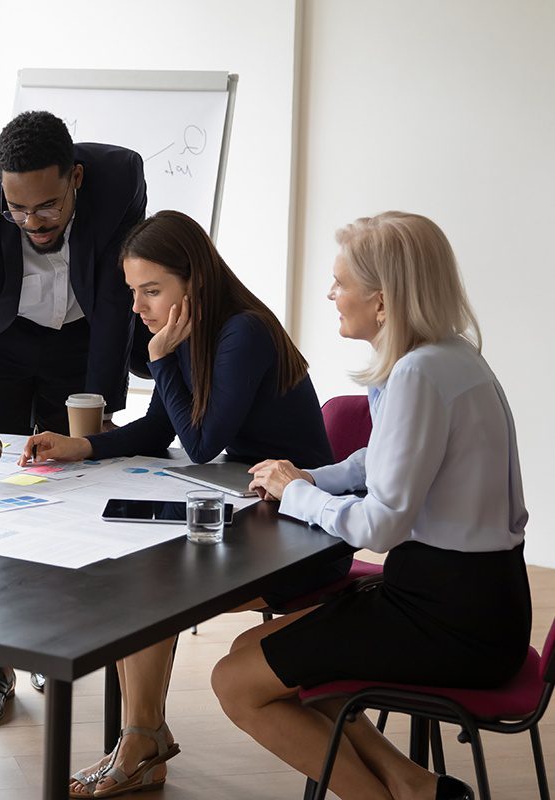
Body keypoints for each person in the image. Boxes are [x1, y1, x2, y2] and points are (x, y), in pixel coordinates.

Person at [19, 210, 349, 798]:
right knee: (138, 572)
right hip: (257, 513)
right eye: (133, 292)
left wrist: (162, 355)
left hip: (305, 537)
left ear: (192, 282)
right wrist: (81, 446)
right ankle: (141, 741)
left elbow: (201, 442)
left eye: (152, 290)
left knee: (151, 585)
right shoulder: (198, 332)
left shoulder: (242, 332)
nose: (139, 306)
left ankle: (141, 745)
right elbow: (156, 429)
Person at [210, 212, 530, 800]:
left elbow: (380, 527)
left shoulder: (418, 374)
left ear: (382, 302)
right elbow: (375, 459)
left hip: (451, 620)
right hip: (481, 602)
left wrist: (297, 494)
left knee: (235, 681)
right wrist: (310, 478)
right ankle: (414, 784)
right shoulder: (447, 356)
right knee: (253, 649)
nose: (331, 294)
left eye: (340, 283)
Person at [0, 109, 147, 725]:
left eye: (46, 207)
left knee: (72, 491)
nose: (31, 223)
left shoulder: (121, 179)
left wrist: (97, 404)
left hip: (83, 343)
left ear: (75, 178)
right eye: (17, 210)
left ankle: (50, 641)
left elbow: (118, 297)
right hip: (5, 349)